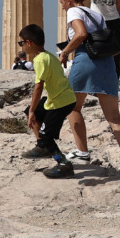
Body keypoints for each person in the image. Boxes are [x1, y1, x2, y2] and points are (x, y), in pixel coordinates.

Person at [57, 0, 120, 174]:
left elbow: (81, 34)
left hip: (86, 59)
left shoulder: (73, 11)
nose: (62, 6)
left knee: (72, 106)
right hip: (107, 63)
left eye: (62, 2)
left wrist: (65, 52)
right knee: (114, 116)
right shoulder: (96, 14)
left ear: (69, 0)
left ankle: (82, 151)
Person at [18, 24, 79, 178]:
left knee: (46, 133)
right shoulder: (50, 56)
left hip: (61, 102)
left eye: (21, 43)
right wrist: (31, 110)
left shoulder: (39, 60)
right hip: (63, 98)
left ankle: (63, 164)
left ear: (29, 42)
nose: (22, 47)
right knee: (32, 112)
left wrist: (32, 111)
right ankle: (42, 147)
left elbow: (39, 87)